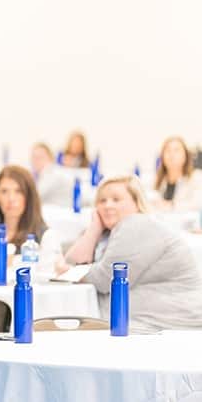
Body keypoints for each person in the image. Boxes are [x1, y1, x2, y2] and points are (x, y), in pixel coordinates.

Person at [57, 176, 202, 331]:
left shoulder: (137, 224)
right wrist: (94, 230)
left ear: (136, 203)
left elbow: (106, 278)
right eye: (102, 201)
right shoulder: (112, 231)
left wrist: (70, 272)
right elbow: (72, 261)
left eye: (116, 199)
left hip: (169, 322)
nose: (108, 205)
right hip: (147, 317)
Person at [0, 165, 48, 254]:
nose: (11, 199)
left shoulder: (43, 238)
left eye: (18, 191)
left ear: (30, 196)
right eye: (4, 191)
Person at [153, 136, 202, 211]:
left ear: (186, 155)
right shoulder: (156, 180)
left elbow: (197, 205)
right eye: (168, 150)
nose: (171, 154)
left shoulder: (196, 178)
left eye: (176, 150)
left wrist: (171, 205)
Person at [31, 142, 73, 208]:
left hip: (61, 211)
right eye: (34, 157)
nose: (36, 161)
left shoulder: (51, 173)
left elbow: (35, 196)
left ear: (50, 158)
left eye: (40, 157)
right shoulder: (47, 172)